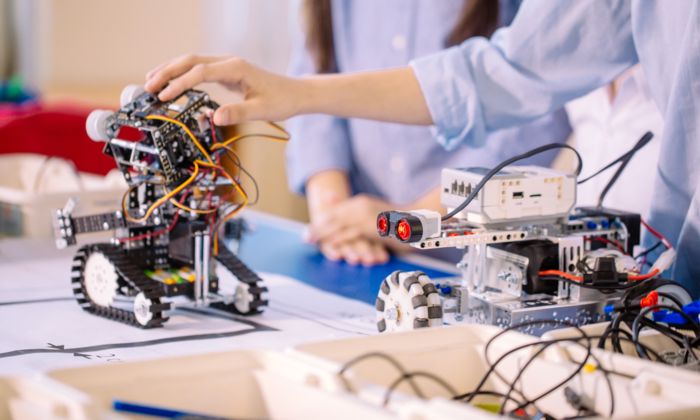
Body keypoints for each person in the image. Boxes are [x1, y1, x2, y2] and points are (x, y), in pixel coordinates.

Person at [144, 1, 700, 296]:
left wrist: (403, 219)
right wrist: (302, 101)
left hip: (460, 247)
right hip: (661, 286)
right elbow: (502, 74)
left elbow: (521, 126)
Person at [286, 0, 570, 266]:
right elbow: (317, 69)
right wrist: (335, 217)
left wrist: (416, 221)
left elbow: (536, 104)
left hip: (475, 250)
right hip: (365, 246)